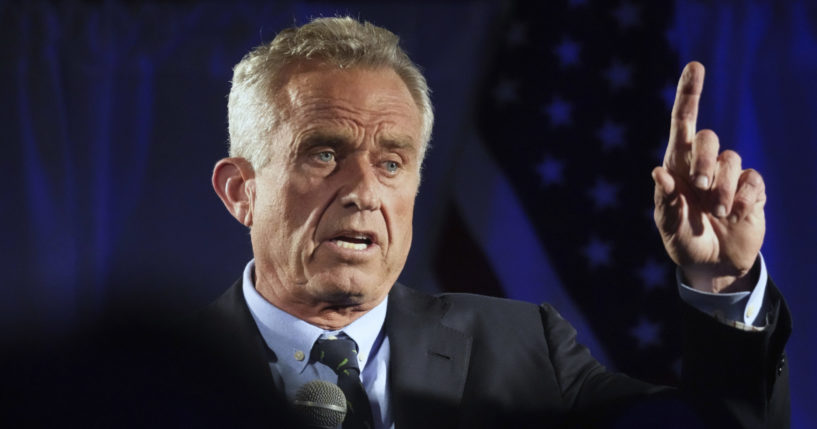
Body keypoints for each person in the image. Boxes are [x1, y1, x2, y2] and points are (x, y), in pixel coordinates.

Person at [202, 16, 790, 428]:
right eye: (324, 154)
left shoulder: (525, 352)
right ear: (240, 191)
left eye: (391, 162)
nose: (363, 191)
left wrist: (720, 286)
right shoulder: (160, 379)